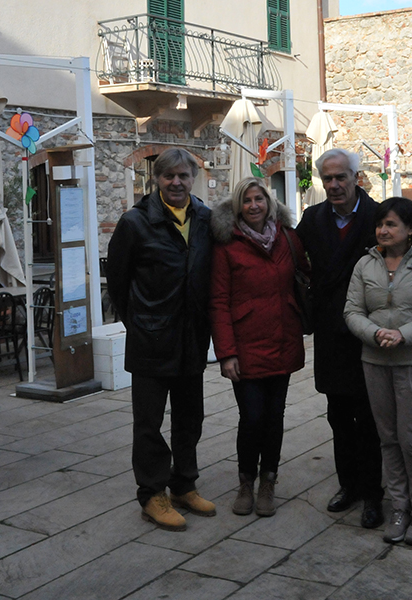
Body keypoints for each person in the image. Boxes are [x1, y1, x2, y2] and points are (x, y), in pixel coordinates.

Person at [106, 148, 215, 532]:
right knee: (149, 423)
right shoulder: (135, 223)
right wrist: (141, 324)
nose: (177, 183)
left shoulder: (205, 219)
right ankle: (152, 493)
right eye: (169, 176)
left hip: (191, 338)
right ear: (157, 179)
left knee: (190, 417)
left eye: (184, 176)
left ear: (193, 179)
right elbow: (118, 284)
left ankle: (184, 484)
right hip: (150, 341)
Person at [344, 197, 412, 545]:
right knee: (388, 439)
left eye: (391, 224)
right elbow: (352, 311)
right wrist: (375, 333)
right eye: (380, 224)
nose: (383, 230)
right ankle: (398, 508)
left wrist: (403, 334)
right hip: (375, 360)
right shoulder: (366, 264)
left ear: (410, 229)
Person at [296, 148, 384, 529]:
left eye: (341, 177)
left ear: (356, 178)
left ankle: (373, 493)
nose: (334, 185)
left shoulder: (378, 216)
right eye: (327, 178)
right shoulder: (312, 219)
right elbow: (293, 260)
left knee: (370, 418)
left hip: (368, 332)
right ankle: (348, 484)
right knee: (338, 415)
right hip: (331, 332)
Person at [210, 177, 309, 518]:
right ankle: (245, 481)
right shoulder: (227, 245)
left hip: (282, 339)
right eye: (247, 200)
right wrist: (226, 353)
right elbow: (218, 301)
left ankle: (268, 480)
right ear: (238, 206)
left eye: (259, 199)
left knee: (275, 416)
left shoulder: (288, 238)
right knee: (252, 417)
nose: (254, 205)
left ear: (269, 203)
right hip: (246, 345)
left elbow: (304, 276)